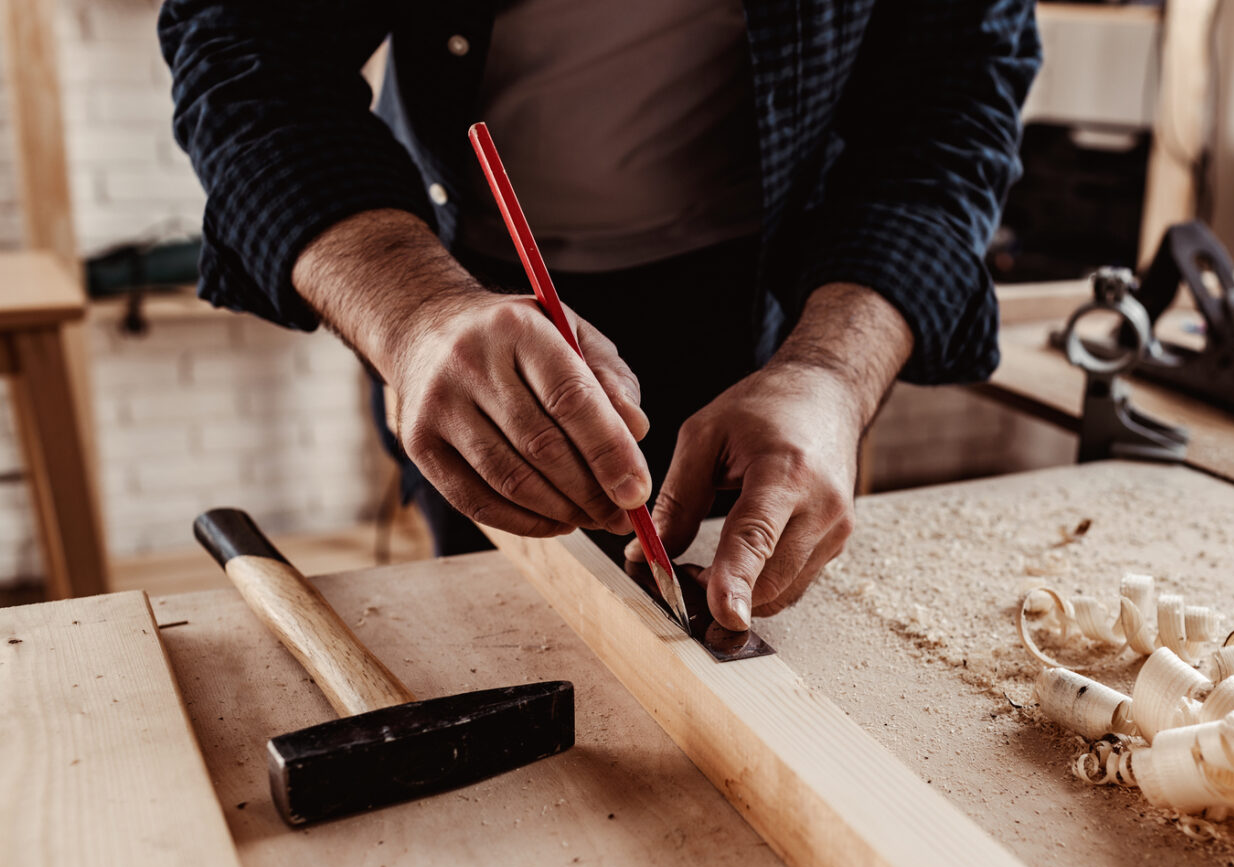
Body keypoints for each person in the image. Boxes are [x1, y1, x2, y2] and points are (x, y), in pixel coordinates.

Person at [158, 1, 1041, 631]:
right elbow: (245, 54)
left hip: (762, 296)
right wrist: (415, 312)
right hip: (463, 294)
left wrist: (833, 376)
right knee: (497, 624)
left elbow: (953, 109)